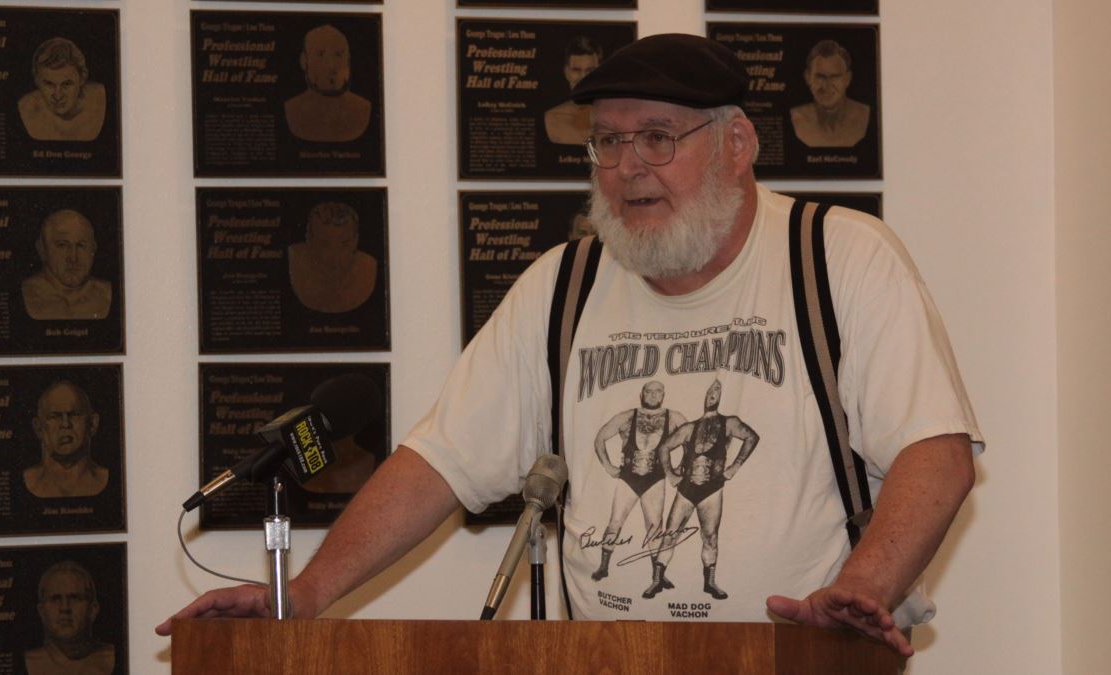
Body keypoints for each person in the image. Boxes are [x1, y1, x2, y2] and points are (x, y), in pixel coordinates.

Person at [158, 34, 981, 659]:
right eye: (608, 142)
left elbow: (935, 453)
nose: (627, 167)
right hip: (606, 659)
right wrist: (304, 595)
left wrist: (858, 591)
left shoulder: (836, 257)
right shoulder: (566, 282)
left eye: (657, 137)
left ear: (736, 144)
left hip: (797, 660)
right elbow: (439, 463)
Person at [646, 380, 758, 600]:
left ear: (722, 396)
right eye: (710, 390)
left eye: (718, 390)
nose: (713, 393)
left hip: (712, 490)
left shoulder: (729, 422)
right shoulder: (689, 428)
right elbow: (664, 447)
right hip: (686, 490)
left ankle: (710, 583)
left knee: (710, 537)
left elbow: (751, 437)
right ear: (704, 396)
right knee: (670, 535)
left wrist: (734, 467)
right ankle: (657, 581)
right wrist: (671, 475)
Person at [588, 380, 686, 585]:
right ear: (641, 394)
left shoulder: (675, 417)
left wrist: (680, 468)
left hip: (655, 479)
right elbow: (599, 438)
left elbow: (691, 441)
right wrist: (608, 466)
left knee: (654, 527)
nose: (653, 395)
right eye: (648, 391)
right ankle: (603, 567)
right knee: (615, 521)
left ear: (663, 395)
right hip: (628, 478)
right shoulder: (626, 417)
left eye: (658, 391)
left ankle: (657, 576)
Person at [284, 25, 372, 143]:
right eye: (320, 55)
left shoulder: (362, 109)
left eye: (338, 55)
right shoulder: (293, 110)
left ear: (348, 59)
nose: (331, 66)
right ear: (304, 61)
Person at [25, 560, 115, 675]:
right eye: (55, 599)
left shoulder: (119, 656)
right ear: (42, 612)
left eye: (75, 598)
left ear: (93, 610)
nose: (65, 608)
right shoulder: (23, 663)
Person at [21, 209, 112, 321]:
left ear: (93, 249)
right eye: (62, 245)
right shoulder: (24, 294)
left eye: (81, 245)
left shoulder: (107, 294)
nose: (73, 258)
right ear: (42, 249)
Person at [287, 202, 378, 313]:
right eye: (324, 244)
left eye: (344, 244)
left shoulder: (367, 269)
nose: (334, 256)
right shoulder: (295, 261)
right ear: (309, 240)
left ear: (355, 241)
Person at [23, 381, 108, 498]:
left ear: (93, 424)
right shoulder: (26, 481)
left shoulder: (110, 480)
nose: (65, 424)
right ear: (38, 428)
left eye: (75, 414)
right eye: (54, 416)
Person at [17, 38, 106, 142]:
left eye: (66, 84)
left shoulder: (101, 100)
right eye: (49, 84)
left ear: (82, 78)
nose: (58, 96)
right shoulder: (26, 108)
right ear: (36, 79)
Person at [789, 39, 871, 148]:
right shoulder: (796, 118)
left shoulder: (864, 115)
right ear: (807, 77)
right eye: (820, 77)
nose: (827, 86)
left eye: (835, 77)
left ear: (847, 79)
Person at [544, 36, 602, 145]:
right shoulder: (554, 118)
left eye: (590, 70)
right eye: (576, 70)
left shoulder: (614, 116)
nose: (583, 78)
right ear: (567, 72)